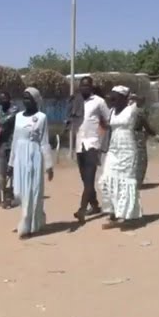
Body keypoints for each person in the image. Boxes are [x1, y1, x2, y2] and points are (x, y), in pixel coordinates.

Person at [8, 87, 54, 238]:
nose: (26, 101)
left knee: (31, 191)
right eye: (24, 98)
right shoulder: (19, 116)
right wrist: (11, 163)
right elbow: (15, 139)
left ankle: (26, 225)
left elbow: (44, 142)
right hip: (20, 155)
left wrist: (49, 165)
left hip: (34, 155)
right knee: (19, 192)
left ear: (35, 100)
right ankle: (38, 215)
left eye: (29, 98)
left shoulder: (42, 117)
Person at [99, 86, 143, 229]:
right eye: (111, 96)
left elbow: (143, 100)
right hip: (113, 148)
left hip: (128, 149)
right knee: (106, 178)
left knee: (125, 181)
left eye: (115, 96)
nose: (111, 98)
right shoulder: (111, 111)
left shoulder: (132, 109)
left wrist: (132, 98)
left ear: (124, 98)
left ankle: (125, 215)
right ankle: (112, 212)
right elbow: (108, 126)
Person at [72, 76, 111, 224]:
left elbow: (108, 122)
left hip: (93, 145)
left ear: (91, 87)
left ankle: (82, 210)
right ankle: (94, 205)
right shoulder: (76, 101)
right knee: (85, 179)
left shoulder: (99, 102)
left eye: (87, 86)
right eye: (81, 86)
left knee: (89, 179)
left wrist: (102, 141)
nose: (84, 89)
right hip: (79, 144)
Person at [130, 94, 159, 188]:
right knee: (140, 160)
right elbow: (146, 125)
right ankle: (137, 182)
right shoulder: (138, 112)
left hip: (125, 138)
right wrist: (154, 134)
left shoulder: (120, 111)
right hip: (136, 137)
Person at [0, 91, 18, 209]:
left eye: (5, 98)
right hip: (1, 144)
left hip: (12, 144)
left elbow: (3, 122)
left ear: (9, 99)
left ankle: (9, 197)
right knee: (1, 172)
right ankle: (2, 197)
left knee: (11, 172)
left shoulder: (14, 109)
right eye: (1, 98)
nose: (2, 101)